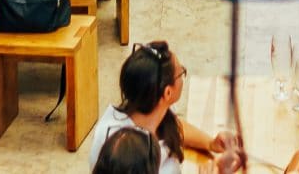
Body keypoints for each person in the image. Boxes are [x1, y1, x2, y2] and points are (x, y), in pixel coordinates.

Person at [87, 42, 218, 174]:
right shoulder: (123, 151)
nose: (183, 77)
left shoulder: (152, 107)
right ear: (167, 93)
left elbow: (174, 126)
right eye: (181, 73)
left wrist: (210, 143)